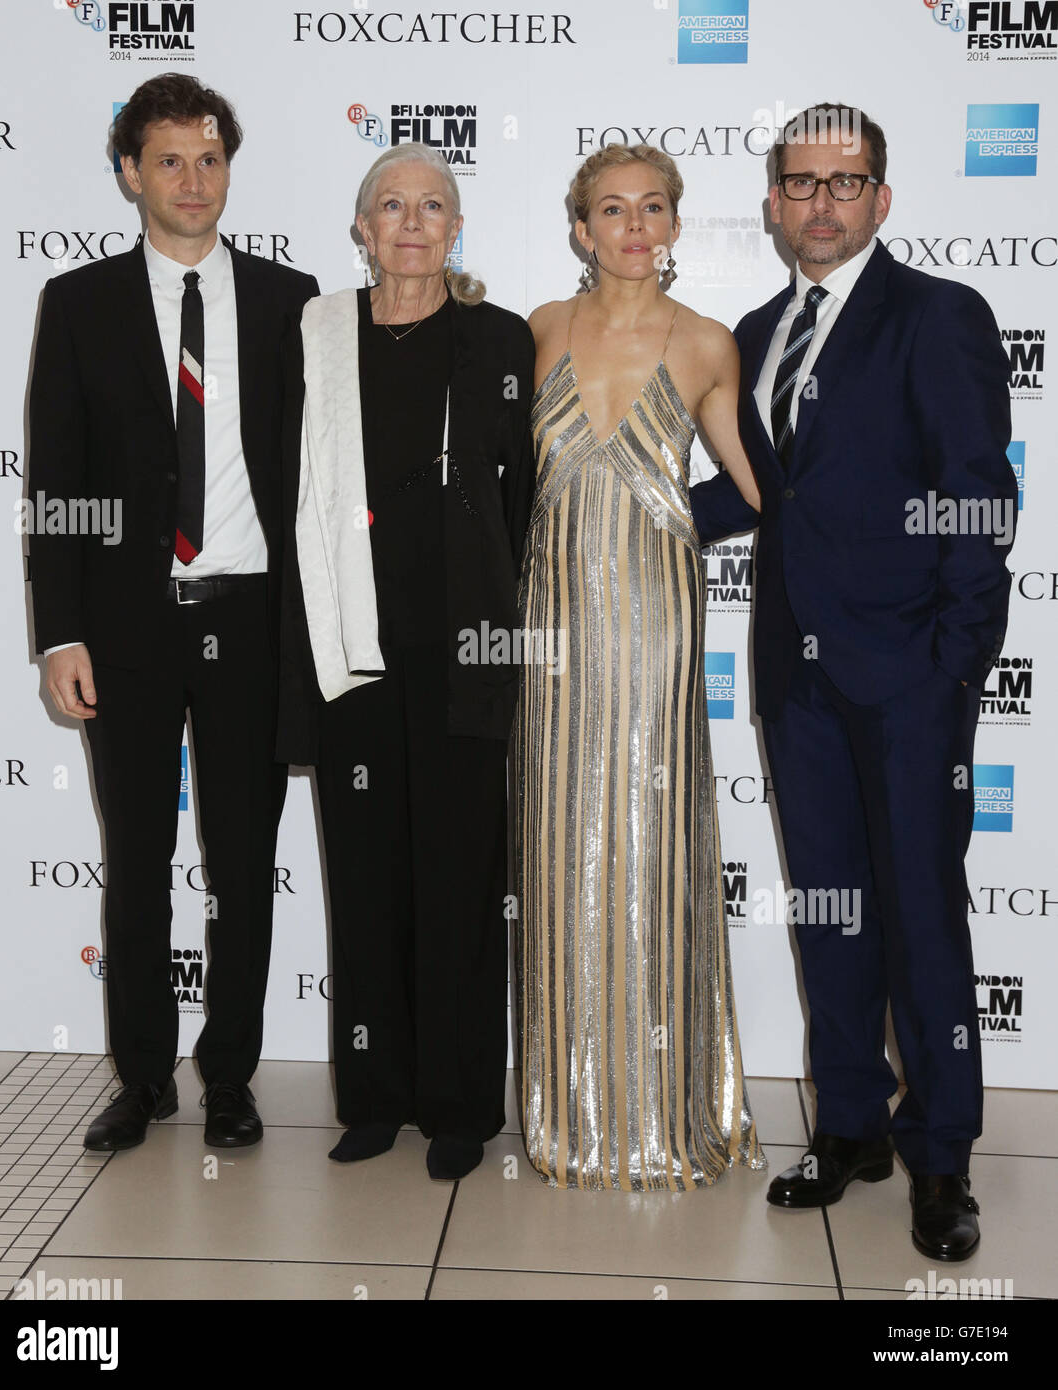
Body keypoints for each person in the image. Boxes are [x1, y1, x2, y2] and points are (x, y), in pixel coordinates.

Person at [688, 103, 1016, 1258]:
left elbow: (979, 501)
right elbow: (755, 491)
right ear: (772, 202)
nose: (819, 203)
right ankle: (849, 1129)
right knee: (827, 912)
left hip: (909, 678)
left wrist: (951, 670)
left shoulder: (938, 316)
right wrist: (634, 526)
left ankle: (940, 1156)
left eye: (844, 182)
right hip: (797, 678)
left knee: (923, 920)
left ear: (880, 198)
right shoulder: (756, 328)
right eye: (799, 183)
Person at [27, 74, 319, 1152]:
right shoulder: (80, 302)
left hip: (251, 624)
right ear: (129, 175)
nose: (194, 180)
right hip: (127, 628)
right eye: (170, 161)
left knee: (244, 861)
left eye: (210, 158)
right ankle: (143, 1076)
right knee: (138, 857)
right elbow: (59, 483)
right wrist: (61, 631)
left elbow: (325, 482)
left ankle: (230, 1077)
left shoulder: (298, 300)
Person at [277, 142, 535, 1181]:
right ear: (360, 227)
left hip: (462, 655)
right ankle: (376, 1096)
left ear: (455, 226)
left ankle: (462, 1106)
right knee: (368, 877)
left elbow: (522, 506)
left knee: (463, 883)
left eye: (433, 204)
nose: (412, 220)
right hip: (351, 654)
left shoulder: (498, 339)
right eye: (391, 203)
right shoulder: (314, 333)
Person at [513, 143, 765, 1191]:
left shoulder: (705, 342)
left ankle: (668, 1109)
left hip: (656, 623)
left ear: (672, 225)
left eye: (650, 208)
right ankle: (562, 1109)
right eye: (609, 209)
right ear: (579, 229)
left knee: (653, 844)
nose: (630, 226)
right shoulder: (534, 330)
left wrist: (664, 517)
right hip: (552, 620)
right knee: (557, 840)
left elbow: (755, 487)